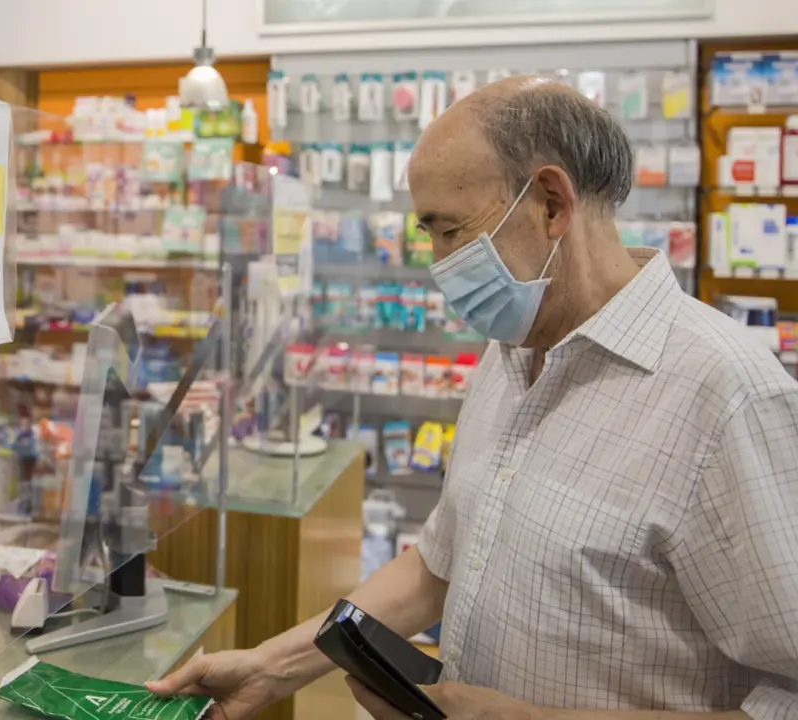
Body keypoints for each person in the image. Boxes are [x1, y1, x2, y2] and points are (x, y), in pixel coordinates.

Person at [150, 77, 798, 719]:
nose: (437, 265)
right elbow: (442, 563)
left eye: (451, 231)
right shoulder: (509, 352)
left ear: (551, 203)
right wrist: (273, 666)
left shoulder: (729, 396)